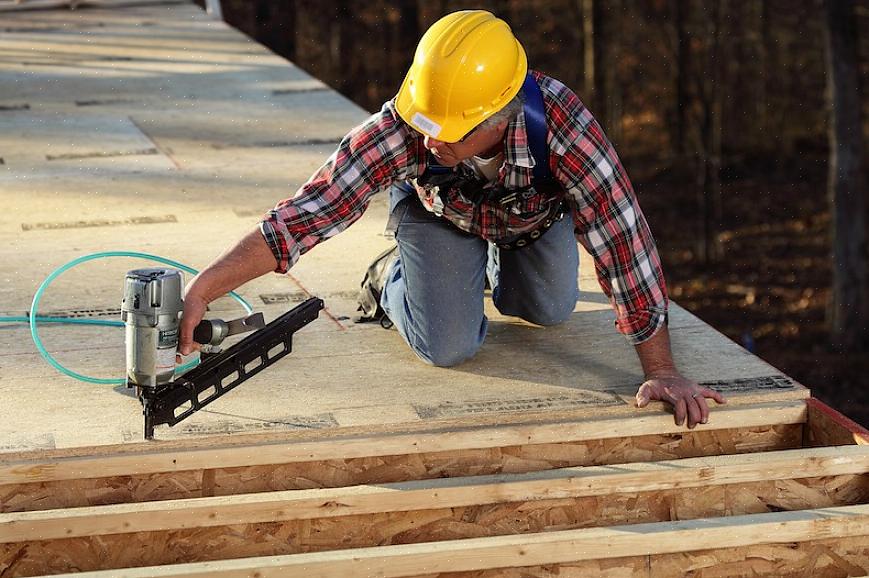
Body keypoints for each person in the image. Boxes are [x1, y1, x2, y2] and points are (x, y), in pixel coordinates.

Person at [178, 10, 726, 428]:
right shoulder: (406, 127)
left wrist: (661, 370)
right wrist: (208, 284)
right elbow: (308, 212)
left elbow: (624, 245)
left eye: (453, 130)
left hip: (529, 222)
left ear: (502, 114)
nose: (432, 139)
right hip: (439, 217)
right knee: (448, 346)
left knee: (548, 309)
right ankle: (391, 277)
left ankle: (483, 272)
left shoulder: (564, 129)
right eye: (425, 122)